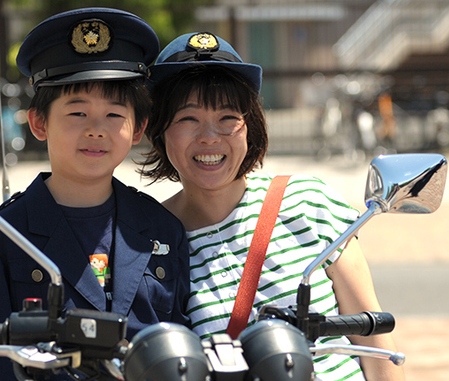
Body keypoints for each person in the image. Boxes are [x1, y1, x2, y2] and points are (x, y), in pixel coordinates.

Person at [140, 32, 404, 381]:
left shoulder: (308, 201)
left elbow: (375, 344)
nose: (209, 137)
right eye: (188, 119)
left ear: (250, 127)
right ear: (160, 131)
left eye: (228, 118)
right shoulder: (150, 242)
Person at [0, 8, 190, 380]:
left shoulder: (162, 229)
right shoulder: (0, 237)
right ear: (38, 122)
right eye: (77, 113)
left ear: (138, 128)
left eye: (114, 115)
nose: (96, 130)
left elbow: (182, 355)